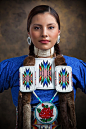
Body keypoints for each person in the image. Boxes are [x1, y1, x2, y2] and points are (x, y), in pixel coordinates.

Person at [0, 5, 86, 129]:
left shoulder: (75, 66)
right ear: (29, 32)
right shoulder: (12, 67)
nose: (44, 34)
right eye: (37, 28)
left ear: (59, 32)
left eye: (50, 27)